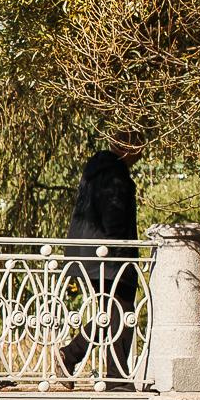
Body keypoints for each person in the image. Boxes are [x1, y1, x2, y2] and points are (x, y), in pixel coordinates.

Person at [61, 132, 144, 380]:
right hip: (109, 259)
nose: (142, 155)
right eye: (140, 148)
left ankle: (75, 357)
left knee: (111, 314)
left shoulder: (96, 171)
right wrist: (121, 253)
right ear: (129, 148)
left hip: (91, 257)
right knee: (121, 313)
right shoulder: (115, 174)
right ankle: (113, 375)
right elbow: (113, 216)